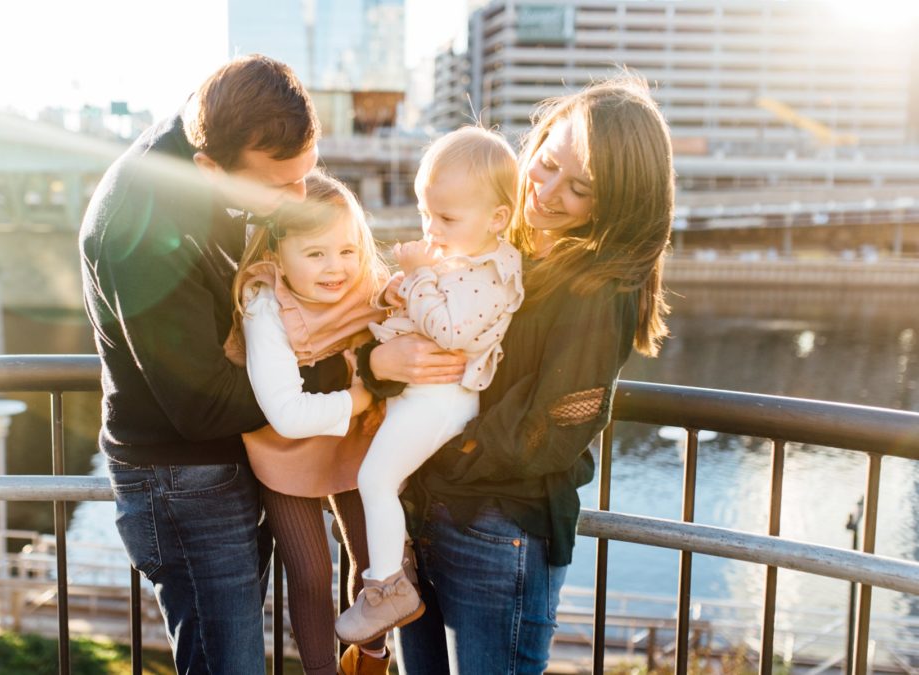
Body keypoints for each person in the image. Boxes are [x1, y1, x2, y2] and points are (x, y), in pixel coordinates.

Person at [361, 76, 674, 674]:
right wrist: (376, 366)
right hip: (436, 513)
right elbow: (428, 344)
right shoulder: (505, 252)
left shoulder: (597, 290)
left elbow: (550, 430)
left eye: (579, 187)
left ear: (619, 200)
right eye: (548, 164)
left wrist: (440, 456)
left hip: (498, 532)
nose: (549, 191)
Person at [79, 55, 321, 673]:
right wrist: (337, 376)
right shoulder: (139, 224)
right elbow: (201, 404)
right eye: (279, 186)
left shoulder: (215, 130)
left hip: (220, 468)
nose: (300, 199)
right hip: (181, 483)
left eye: (307, 175)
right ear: (210, 167)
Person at [333, 126, 523, 647]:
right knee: (381, 483)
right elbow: (426, 312)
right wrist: (402, 291)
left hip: (441, 399)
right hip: (420, 395)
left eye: (445, 218)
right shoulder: (461, 257)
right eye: (425, 214)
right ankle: (391, 578)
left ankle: (386, 588)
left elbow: (453, 330)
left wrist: (416, 277)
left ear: (498, 218)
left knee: (375, 480)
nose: (431, 228)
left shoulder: (492, 271)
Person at [223, 171, 393, 675]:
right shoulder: (264, 302)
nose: (335, 267)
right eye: (315, 253)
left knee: (376, 565)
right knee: (311, 571)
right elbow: (287, 414)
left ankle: (369, 659)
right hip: (287, 448)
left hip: (351, 440)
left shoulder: (369, 286)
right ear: (278, 252)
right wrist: (364, 396)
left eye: (347, 250)